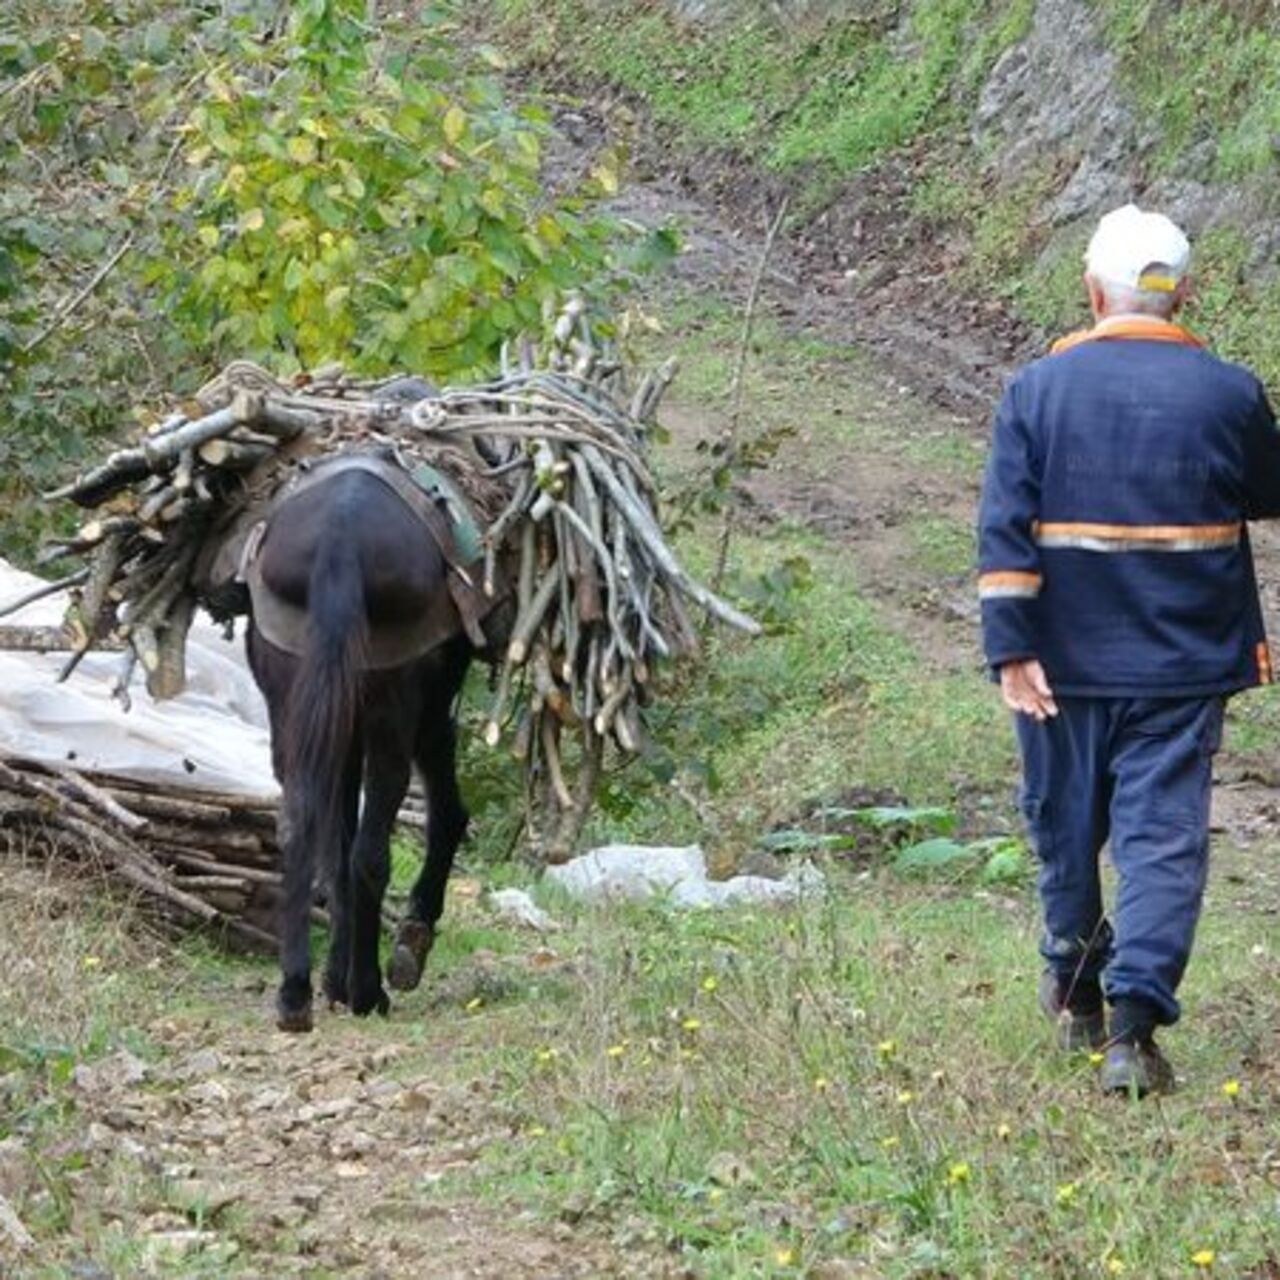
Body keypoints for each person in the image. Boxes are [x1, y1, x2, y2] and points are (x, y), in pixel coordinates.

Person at [977, 203, 1280, 1096]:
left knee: (1064, 823)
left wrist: (1010, 647)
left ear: (1091, 291)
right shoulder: (1229, 393)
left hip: (1059, 664)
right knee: (1162, 839)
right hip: (1183, 669)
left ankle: (1075, 991)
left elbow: (1004, 530)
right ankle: (1134, 1029)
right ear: (1184, 295)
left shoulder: (1036, 391)